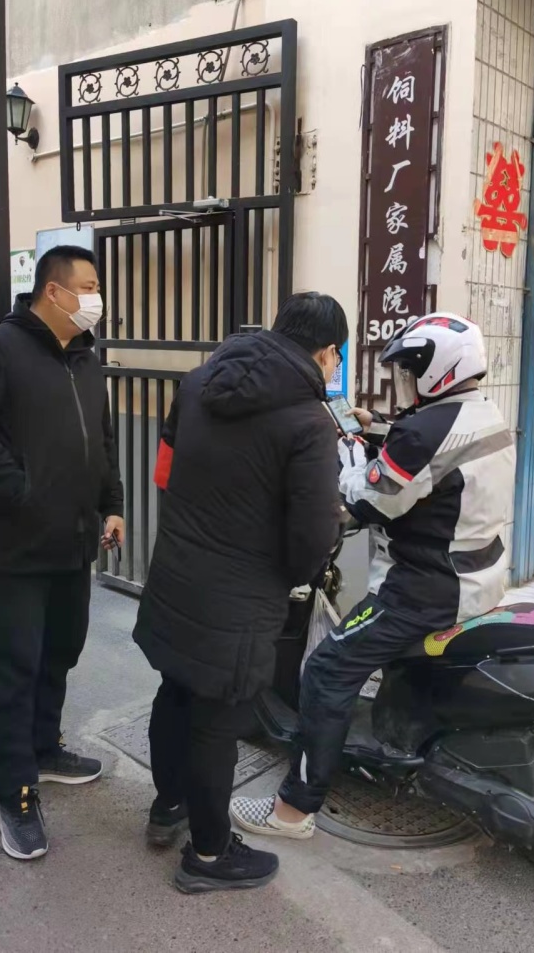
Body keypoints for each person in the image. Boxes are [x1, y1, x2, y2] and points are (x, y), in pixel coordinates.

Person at [230, 312, 516, 838]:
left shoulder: (422, 433)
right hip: (482, 574)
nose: (404, 380)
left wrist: (338, 470)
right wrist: (378, 428)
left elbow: (365, 503)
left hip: (422, 590)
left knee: (326, 671)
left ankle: (294, 810)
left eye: (410, 370)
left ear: (438, 370)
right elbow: (435, 459)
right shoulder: (483, 411)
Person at [134, 292, 347, 894]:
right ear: (326, 353)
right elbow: (314, 534)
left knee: (175, 691)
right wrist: (293, 572)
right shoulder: (309, 421)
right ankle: (208, 854)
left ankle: (168, 806)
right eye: (337, 357)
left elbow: (166, 470)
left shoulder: (199, 382)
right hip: (240, 594)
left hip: (178, 571)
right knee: (216, 722)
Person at [0, 245, 124, 861]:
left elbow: (101, 439)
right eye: (89, 286)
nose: (97, 297)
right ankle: (13, 791)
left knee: (59, 652)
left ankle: (44, 749)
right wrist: (21, 491)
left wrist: (112, 503)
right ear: (54, 290)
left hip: (73, 540)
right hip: (15, 544)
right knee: (12, 669)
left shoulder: (85, 358)